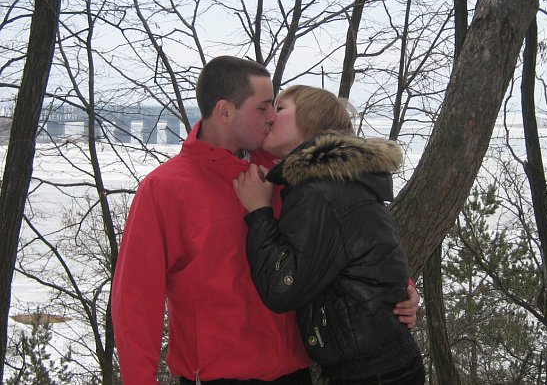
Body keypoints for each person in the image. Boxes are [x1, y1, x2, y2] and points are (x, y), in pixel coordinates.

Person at [111, 56, 420, 384]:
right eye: (263, 107)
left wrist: (399, 289)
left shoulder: (286, 175)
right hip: (219, 377)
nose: (271, 116)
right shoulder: (164, 189)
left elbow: (349, 235)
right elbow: (136, 300)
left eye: (275, 106)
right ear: (224, 111)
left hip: (296, 373)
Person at [233, 85, 425, 384]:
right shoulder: (339, 180)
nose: (270, 116)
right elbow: (368, 254)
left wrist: (259, 212)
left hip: (371, 374)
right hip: (384, 364)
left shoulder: (319, 191)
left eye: (280, 108)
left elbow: (282, 290)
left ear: (310, 121)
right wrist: (404, 286)